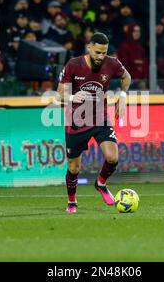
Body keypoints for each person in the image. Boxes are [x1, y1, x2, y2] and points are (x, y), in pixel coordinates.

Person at [55, 32, 131, 213]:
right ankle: (72, 201)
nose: (100, 57)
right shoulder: (73, 65)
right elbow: (59, 95)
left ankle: (101, 183)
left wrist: (122, 94)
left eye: (104, 53)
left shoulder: (112, 63)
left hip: (100, 118)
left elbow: (126, 77)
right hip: (76, 121)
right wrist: (73, 96)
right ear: (89, 48)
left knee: (112, 157)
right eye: (97, 52)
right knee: (74, 168)